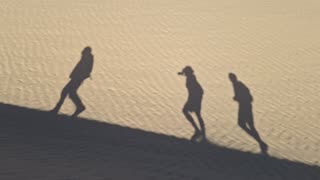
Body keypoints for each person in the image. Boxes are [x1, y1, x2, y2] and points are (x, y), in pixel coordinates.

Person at [229, 73, 268, 154]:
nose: (231, 80)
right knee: (249, 126)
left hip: (244, 106)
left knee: (244, 124)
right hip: (246, 106)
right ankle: (261, 143)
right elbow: (248, 94)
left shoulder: (237, 85)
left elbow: (244, 95)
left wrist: (236, 98)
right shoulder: (237, 84)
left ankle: (261, 142)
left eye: (231, 78)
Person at [51, 46, 94, 117]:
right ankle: (79, 107)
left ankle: (58, 109)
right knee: (70, 93)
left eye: (84, 51)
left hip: (77, 79)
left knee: (65, 91)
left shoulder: (87, 59)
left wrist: (78, 76)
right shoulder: (86, 58)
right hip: (76, 78)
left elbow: (84, 70)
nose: (82, 51)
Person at [178, 66, 206, 141]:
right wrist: (181, 73)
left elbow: (199, 90)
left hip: (194, 98)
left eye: (186, 72)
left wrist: (195, 100)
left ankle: (199, 131)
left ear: (188, 73)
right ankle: (201, 132)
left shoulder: (191, 79)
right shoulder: (190, 77)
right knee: (197, 115)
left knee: (189, 112)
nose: (185, 74)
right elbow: (187, 75)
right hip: (193, 97)